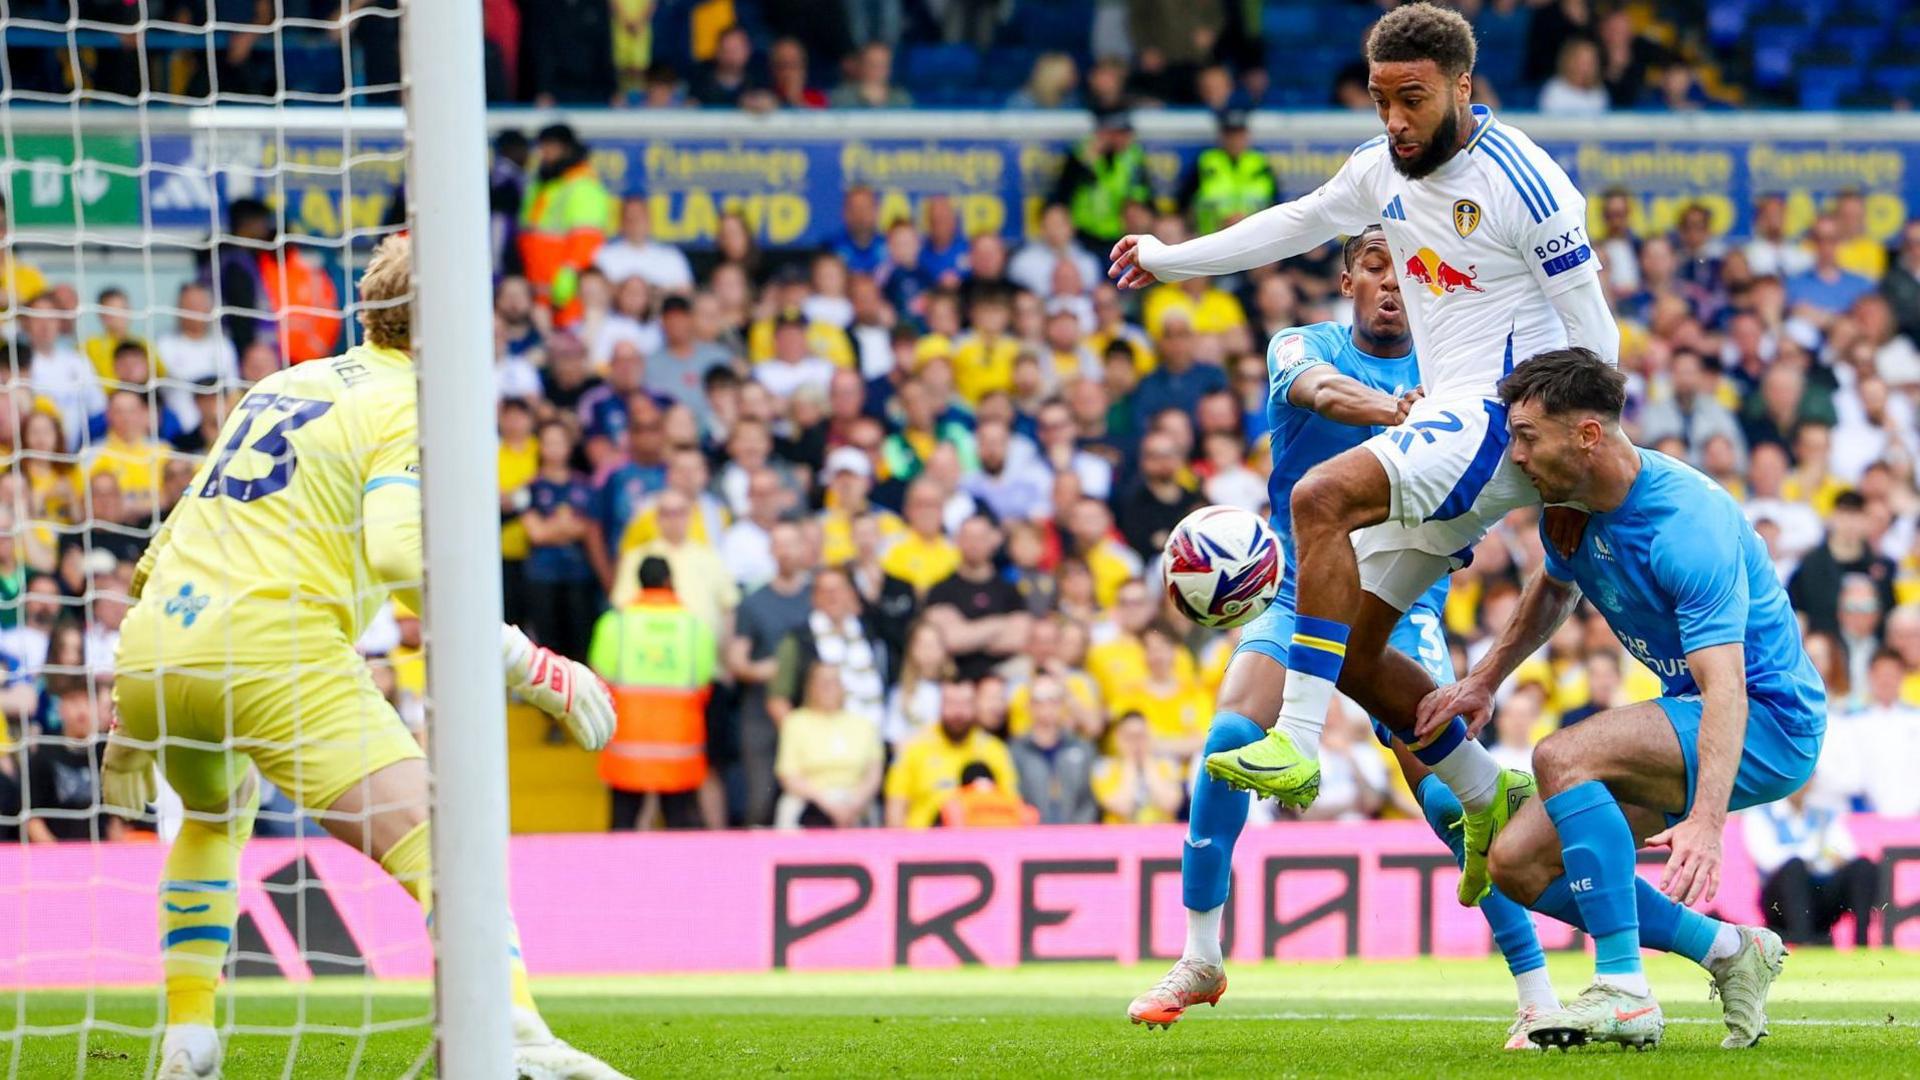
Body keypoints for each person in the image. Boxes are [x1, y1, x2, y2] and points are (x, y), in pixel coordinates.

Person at [1111, 3, 1619, 904]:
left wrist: (1594, 465)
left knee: (1318, 497)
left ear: (1463, 87)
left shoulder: (1528, 184)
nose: (1393, 120)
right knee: (1347, 641)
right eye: (1382, 99)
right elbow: (1294, 221)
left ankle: (1297, 745)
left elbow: (1594, 333)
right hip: (1457, 420)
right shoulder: (1382, 167)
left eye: (1412, 99)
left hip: (1504, 419)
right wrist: (1170, 258)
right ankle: (1481, 788)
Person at [101, 235, 623, 1078]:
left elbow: (161, 551)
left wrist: (132, 714)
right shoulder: (416, 402)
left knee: (210, 820)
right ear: (444, 323)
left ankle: (188, 1036)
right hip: (275, 650)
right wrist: (523, 661)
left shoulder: (283, 381)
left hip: (159, 647)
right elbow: (394, 553)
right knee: (443, 845)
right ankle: (519, 1036)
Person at [1129, 228, 1554, 1047]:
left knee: (1448, 795)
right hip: (1296, 592)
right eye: (1375, 268)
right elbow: (1321, 391)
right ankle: (1202, 955)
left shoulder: (1458, 371)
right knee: (1224, 741)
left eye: (1408, 272)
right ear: (1349, 277)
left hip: (1405, 603)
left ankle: (1535, 992)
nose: (1393, 285)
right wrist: (1400, 413)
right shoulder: (1304, 343)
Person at [1420, 349, 1823, 1050]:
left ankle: (1626, 993)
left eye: (1526, 436)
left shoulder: (1686, 526)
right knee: (1519, 863)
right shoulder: (1567, 508)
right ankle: (1730, 951)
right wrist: (1485, 678)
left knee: (1563, 755)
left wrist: (1707, 819)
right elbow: (1554, 587)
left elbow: (1725, 684)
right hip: (1700, 713)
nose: (1514, 455)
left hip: (1766, 725)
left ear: (1586, 436)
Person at [589, 556, 717, 830]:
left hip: (627, 745)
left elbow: (598, 680)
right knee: (678, 824)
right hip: (679, 747)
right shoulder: (695, 627)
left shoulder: (615, 623)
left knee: (623, 822)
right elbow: (704, 683)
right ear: (670, 581)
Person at [1744, 785, 1878, 948]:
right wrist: (1815, 852)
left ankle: (1862, 942)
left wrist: (1815, 857)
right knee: (1794, 869)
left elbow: (1847, 853)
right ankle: (1804, 942)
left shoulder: (1824, 815)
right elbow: (1768, 859)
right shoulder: (1761, 815)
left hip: (1820, 897)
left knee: (1863, 867)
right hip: (1780, 902)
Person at [884, 679, 1018, 828]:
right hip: (923, 843)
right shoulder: (914, 748)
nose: (957, 712)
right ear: (939, 706)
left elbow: (1011, 807)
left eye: (964, 704)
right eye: (951, 703)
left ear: (975, 706)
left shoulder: (994, 750)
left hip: (978, 842)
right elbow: (895, 811)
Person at [518, 124, 615, 326]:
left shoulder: (582, 185)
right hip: (537, 288)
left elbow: (586, 238)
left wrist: (570, 274)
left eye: (550, 146)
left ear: (567, 149)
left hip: (567, 292)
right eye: (542, 147)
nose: (544, 153)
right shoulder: (544, 183)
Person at [775, 661, 885, 828]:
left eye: (834, 681)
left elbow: (873, 773)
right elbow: (788, 775)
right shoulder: (796, 722)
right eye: (822, 682)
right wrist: (828, 804)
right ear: (810, 686)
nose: (828, 687)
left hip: (854, 798)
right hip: (810, 799)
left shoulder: (862, 723)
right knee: (790, 807)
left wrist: (854, 803)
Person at [922, 515, 1031, 681]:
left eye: (980, 538)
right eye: (968, 537)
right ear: (957, 540)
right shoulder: (940, 590)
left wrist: (968, 632)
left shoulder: (1009, 589)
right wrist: (1000, 624)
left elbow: (1018, 638)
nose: (974, 544)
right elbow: (951, 640)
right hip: (954, 681)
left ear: (993, 541)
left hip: (1001, 680)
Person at [1051, 110, 1154, 253]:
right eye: (1118, 133)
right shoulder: (1081, 155)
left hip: (1120, 235)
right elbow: (1063, 195)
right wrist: (1087, 164)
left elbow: (1141, 197)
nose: (1124, 139)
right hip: (1083, 234)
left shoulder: (1132, 157)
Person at [1007, 673, 1098, 824]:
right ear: (1029, 705)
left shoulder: (1082, 748)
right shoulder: (1016, 751)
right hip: (1030, 838)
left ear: (1062, 704)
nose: (1047, 708)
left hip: (1077, 838)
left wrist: (1080, 833)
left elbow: (1089, 800)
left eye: (1053, 701)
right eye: (1040, 701)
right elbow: (1014, 798)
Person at [1178, 109, 1277, 238]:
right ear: (1221, 137)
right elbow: (1183, 203)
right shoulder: (1205, 162)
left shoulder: (1261, 164)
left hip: (1255, 238)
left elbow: (1276, 205)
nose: (1235, 140)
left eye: (1239, 135)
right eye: (1230, 135)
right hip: (1210, 237)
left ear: (1247, 136)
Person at [594, 193, 694, 292]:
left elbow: (686, 292)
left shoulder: (671, 257)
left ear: (650, 221)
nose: (635, 223)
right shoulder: (604, 256)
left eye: (640, 218)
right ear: (621, 224)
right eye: (630, 218)